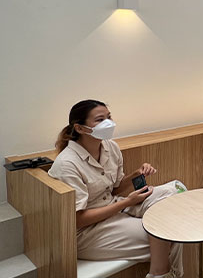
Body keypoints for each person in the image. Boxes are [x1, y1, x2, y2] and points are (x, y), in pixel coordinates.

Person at [48, 100, 184, 278]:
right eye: (99, 119)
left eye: (109, 117)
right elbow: (77, 220)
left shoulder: (110, 147)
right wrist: (128, 202)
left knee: (177, 190)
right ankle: (161, 274)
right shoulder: (67, 164)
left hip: (114, 205)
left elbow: (114, 188)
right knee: (168, 231)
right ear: (80, 128)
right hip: (88, 230)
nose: (108, 123)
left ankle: (164, 271)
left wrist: (136, 174)